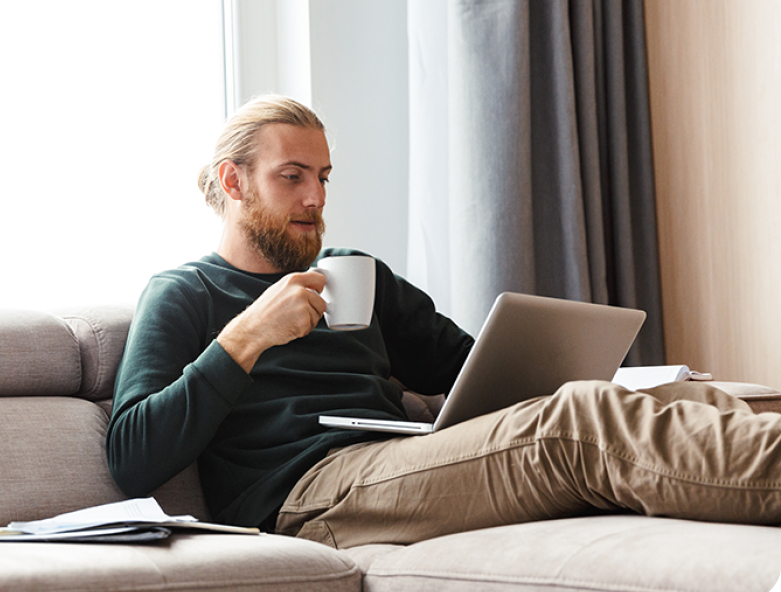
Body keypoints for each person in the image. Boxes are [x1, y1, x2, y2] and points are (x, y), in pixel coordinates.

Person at [106, 95, 781, 549]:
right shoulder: (186, 292)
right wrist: (247, 335)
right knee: (577, 422)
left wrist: (566, 367)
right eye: (292, 177)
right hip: (308, 497)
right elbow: (134, 456)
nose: (315, 197)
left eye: (323, 177)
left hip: (399, 461)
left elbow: (469, 368)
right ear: (234, 182)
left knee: (681, 397)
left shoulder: (352, 271)